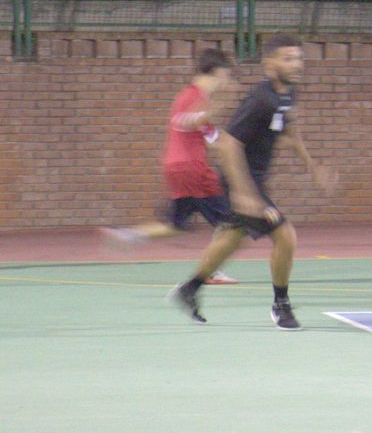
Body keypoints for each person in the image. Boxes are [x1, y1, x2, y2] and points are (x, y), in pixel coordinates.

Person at [168, 35, 335, 330]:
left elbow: (290, 130)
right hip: (241, 178)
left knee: (231, 239)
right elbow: (229, 144)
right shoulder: (260, 99)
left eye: (299, 58)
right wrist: (244, 193)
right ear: (269, 64)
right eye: (288, 59)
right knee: (285, 235)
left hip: (252, 180)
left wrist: (312, 166)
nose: (296, 64)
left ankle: (189, 289)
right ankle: (281, 306)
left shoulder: (287, 94)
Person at [99, 47, 239, 285]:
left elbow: (208, 134)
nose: (226, 82)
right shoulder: (195, 97)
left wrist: (232, 143)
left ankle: (128, 235)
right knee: (230, 225)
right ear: (216, 72)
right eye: (226, 76)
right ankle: (211, 270)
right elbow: (192, 121)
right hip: (192, 168)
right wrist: (221, 104)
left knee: (176, 224)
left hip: (176, 167)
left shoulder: (187, 97)